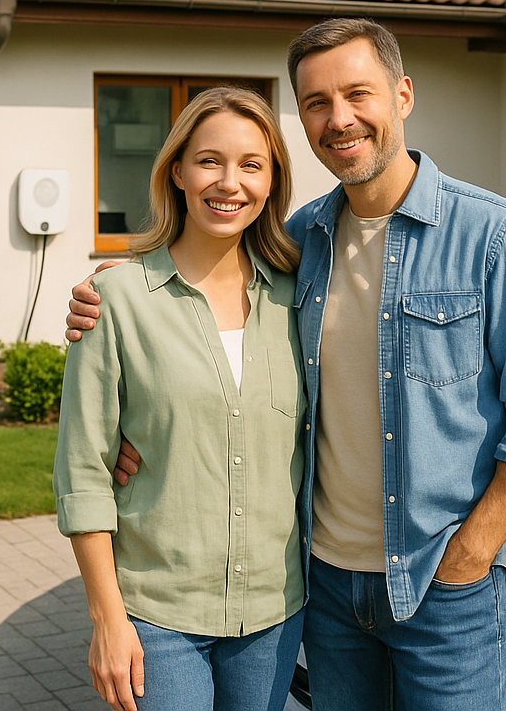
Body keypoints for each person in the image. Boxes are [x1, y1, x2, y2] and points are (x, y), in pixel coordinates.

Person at [65, 19, 506, 711]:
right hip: (329, 592)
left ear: (402, 95)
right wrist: (125, 353)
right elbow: (203, 328)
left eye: (358, 94)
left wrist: (473, 553)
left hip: (444, 587)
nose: (339, 119)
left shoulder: (497, 236)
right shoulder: (297, 243)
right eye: (316, 103)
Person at [53, 86, 307, 711]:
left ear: (273, 182)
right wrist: (107, 620)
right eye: (209, 160)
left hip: (275, 610)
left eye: (252, 164)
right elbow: (83, 470)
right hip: (157, 615)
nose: (229, 182)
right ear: (178, 172)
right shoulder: (117, 302)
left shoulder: (300, 297)